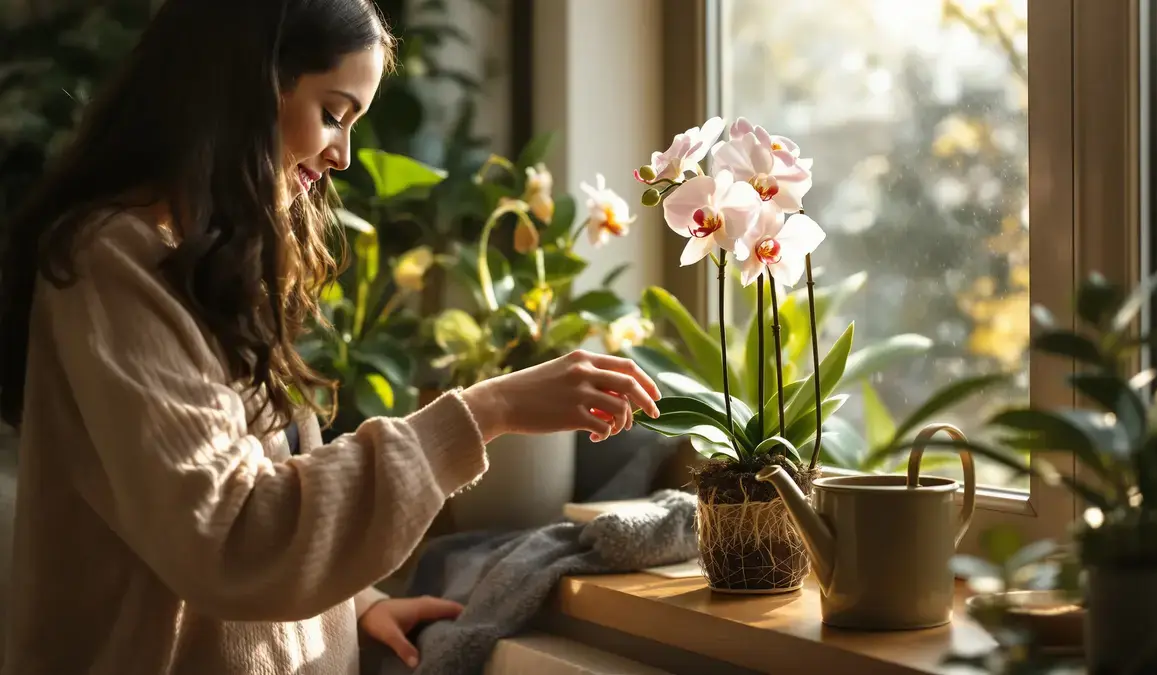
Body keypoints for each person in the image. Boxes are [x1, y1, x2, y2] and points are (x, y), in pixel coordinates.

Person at [0, 1, 661, 673]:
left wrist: (355, 602)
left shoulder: (213, 264)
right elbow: (230, 533)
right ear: (247, 88)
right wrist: (488, 411)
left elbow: (251, 496)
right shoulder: (111, 265)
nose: (342, 154)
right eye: (334, 113)